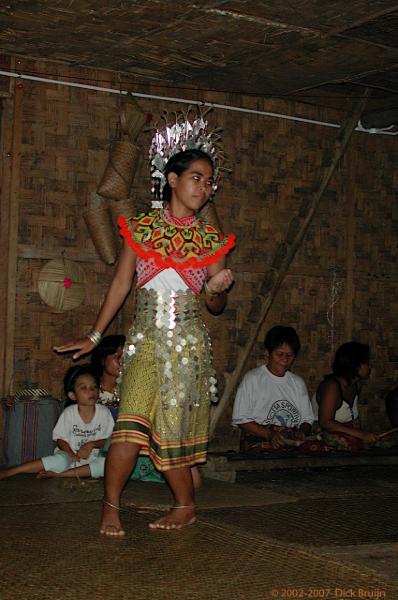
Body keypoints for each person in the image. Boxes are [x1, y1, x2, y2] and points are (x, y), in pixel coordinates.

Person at [54, 146, 235, 535]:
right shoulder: (141, 229)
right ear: (172, 180)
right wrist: (95, 335)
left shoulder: (211, 240)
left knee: (171, 431)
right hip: (145, 343)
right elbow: (121, 283)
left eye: (209, 182)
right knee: (129, 428)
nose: (204, 188)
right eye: (196, 178)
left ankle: (185, 506)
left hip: (186, 349)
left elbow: (215, 306)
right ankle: (110, 506)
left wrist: (217, 290)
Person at [0, 365, 114, 480]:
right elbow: (60, 440)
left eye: (94, 387)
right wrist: (71, 454)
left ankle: (60, 475)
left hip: (93, 458)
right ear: (72, 395)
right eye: (84, 388)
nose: (91, 392)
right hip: (69, 456)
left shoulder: (104, 412)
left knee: (106, 464)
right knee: (60, 460)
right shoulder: (69, 413)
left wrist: (92, 445)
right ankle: (11, 471)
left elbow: (110, 439)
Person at [232, 326, 314, 450]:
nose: (284, 360)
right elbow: (241, 419)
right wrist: (270, 434)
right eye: (279, 354)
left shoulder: (297, 383)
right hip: (259, 440)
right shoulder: (253, 379)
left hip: (289, 442)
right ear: (267, 353)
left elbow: (307, 419)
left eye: (289, 355)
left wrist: (301, 432)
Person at [313, 342, 379, 449]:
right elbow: (325, 422)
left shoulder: (355, 385)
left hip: (343, 434)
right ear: (355, 365)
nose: (370, 367)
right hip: (322, 435)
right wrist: (361, 434)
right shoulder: (332, 386)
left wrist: (363, 434)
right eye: (366, 363)